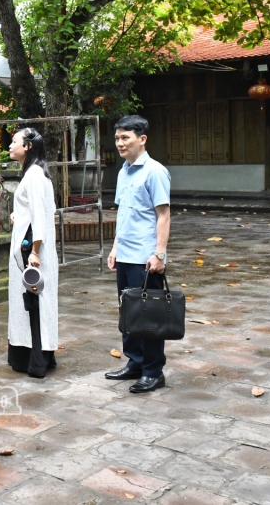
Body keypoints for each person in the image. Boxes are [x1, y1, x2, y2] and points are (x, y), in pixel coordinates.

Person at [107, 115, 172, 394]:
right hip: (125, 255)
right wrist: (114, 248)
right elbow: (123, 214)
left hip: (145, 258)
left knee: (149, 317)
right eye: (117, 138)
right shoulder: (123, 172)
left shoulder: (155, 171)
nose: (120, 143)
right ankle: (135, 361)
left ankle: (153, 371)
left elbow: (164, 214)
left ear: (142, 139)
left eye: (125, 138)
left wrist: (159, 254)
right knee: (129, 314)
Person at [6, 128, 59, 378]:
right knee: (29, 303)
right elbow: (40, 209)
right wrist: (19, 215)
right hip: (29, 245)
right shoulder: (34, 173)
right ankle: (34, 356)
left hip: (31, 250)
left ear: (27, 146)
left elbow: (40, 213)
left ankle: (37, 360)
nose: (9, 145)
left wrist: (35, 250)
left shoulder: (35, 174)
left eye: (14, 141)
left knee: (33, 303)